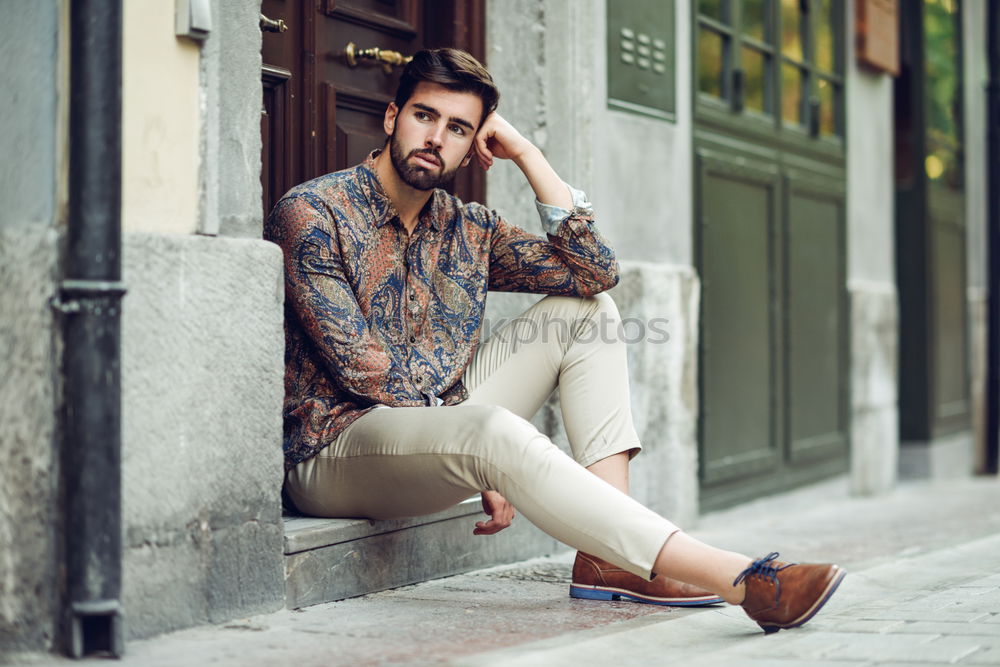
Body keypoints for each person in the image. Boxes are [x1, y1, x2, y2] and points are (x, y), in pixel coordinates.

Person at [264, 48, 845, 634]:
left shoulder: (468, 227)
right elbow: (368, 373)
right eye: (425, 116)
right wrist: (473, 452)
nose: (437, 137)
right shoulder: (314, 213)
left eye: (459, 128)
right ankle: (745, 579)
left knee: (587, 311)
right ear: (392, 117)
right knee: (490, 431)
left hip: (439, 420)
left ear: (474, 147)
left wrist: (528, 154)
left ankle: (608, 558)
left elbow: (594, 271)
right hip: (335, 448)